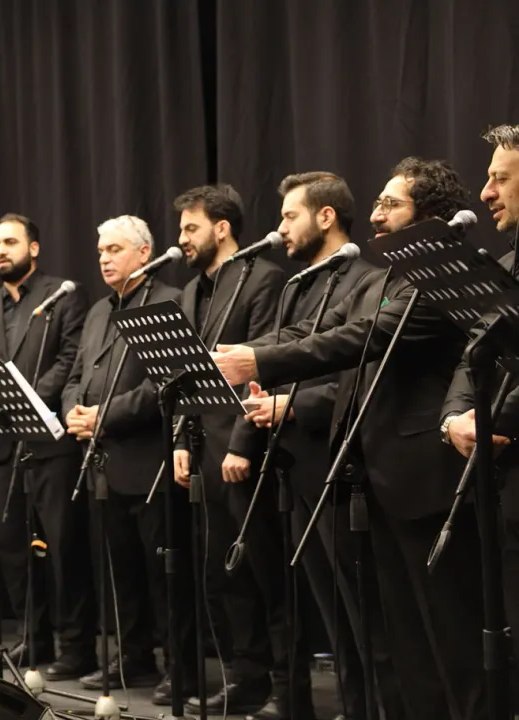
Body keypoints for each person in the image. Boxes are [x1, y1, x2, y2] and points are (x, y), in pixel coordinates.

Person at [212, 159, 484, 720]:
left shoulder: (443, 276)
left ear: (428, 216)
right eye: (378, 203)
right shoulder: (380, 277)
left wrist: (260, 361)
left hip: (424, 479)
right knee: (403, 637)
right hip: (375, 478)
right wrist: (245, 350)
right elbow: (316, 329)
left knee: (448, 635)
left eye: (391, 204)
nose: (376, 215)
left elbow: (364, 337)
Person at [230, 172, 384, 720]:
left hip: (341, 467)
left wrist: (294, 406)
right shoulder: (302, 286)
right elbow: (286, 358)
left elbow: (357, 379)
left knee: (362, 610)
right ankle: (351, 705)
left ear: (326, 216)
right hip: (296, 466)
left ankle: (372, 707)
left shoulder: (365, 280)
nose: (281, 228)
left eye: (289, 216)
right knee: (330, 610)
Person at [61, 216, 190, 702]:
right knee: (119, 574)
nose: (104, 259)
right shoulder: (99, 311)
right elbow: (76, 375)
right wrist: (73, 411)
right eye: (100, 251)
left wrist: (104, 416)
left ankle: (178, 666)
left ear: (144, 253)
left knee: (163, 576)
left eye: (114, 249)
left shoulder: (170, 301)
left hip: (150, 461)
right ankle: (133, 658)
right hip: (103, 465)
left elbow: (165, 383)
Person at [170, 184, 285, 715]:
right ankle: (244, 676)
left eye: (190, 228)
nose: (182, 238)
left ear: (222, 229)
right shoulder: (191, 292)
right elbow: (185, 376)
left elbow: (264, 364)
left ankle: (283, 684)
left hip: (246, 451)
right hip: (202, 449)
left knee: (262, 571)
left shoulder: (263, 280)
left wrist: (242, 442)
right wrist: (180, 440)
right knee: (222, 574)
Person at [0, 212, 94, 680]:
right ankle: (32, 638)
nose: (1, 251)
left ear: (33, 249)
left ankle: (77, 647)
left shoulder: (63, 295)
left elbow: (71, 358)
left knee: (63, 548)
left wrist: (30, 401)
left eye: (10, 242)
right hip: (3, 449)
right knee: (12, 550)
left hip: (51, 443)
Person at [442, 124, 519, 709]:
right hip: (503, 483)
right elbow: (473, 354)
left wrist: (494, 417)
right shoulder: (505, 264)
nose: (486, 192)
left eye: (500, 178)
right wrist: (457, 417)